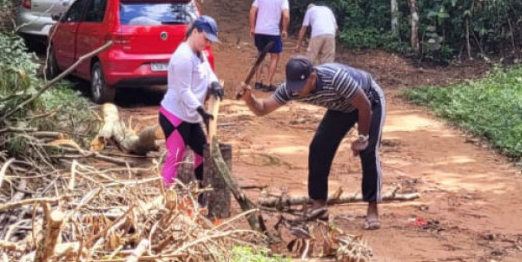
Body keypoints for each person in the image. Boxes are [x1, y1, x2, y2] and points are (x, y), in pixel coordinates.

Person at [237, 56, 385, 229]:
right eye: (293, 87)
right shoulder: (290, 89)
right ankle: (319, 203)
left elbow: (364, 106)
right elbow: (262, 109)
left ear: (312, 78)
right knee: (319, 147)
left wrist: (362, 138)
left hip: (369, 101)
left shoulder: (336, 78)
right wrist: (249, 99)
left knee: (368, 151)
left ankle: (372, 207)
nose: (296, 92)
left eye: (300, 87)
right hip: (341, 107)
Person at [159, 15, 223, 188]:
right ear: (195, 32)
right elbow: (183, 91)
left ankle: (201, 193)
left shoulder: (199, 53)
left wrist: (214, 83)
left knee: (203, 152)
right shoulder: (183, 57)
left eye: (210, 40)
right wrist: (201, 110)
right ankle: (165, 198)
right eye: (205, 38)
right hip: (175, 116)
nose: (207, 43)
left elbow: (208, 72)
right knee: (176, 157)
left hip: (191, 117)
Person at [249, 0, 290, 90]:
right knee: (274, 57)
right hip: (273, 32)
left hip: (259, 30)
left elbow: (252, 12)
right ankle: (267, 84)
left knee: (261, 55)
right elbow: (286, 16)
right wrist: (284, 29)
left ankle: (257, 82)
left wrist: (253, 27)